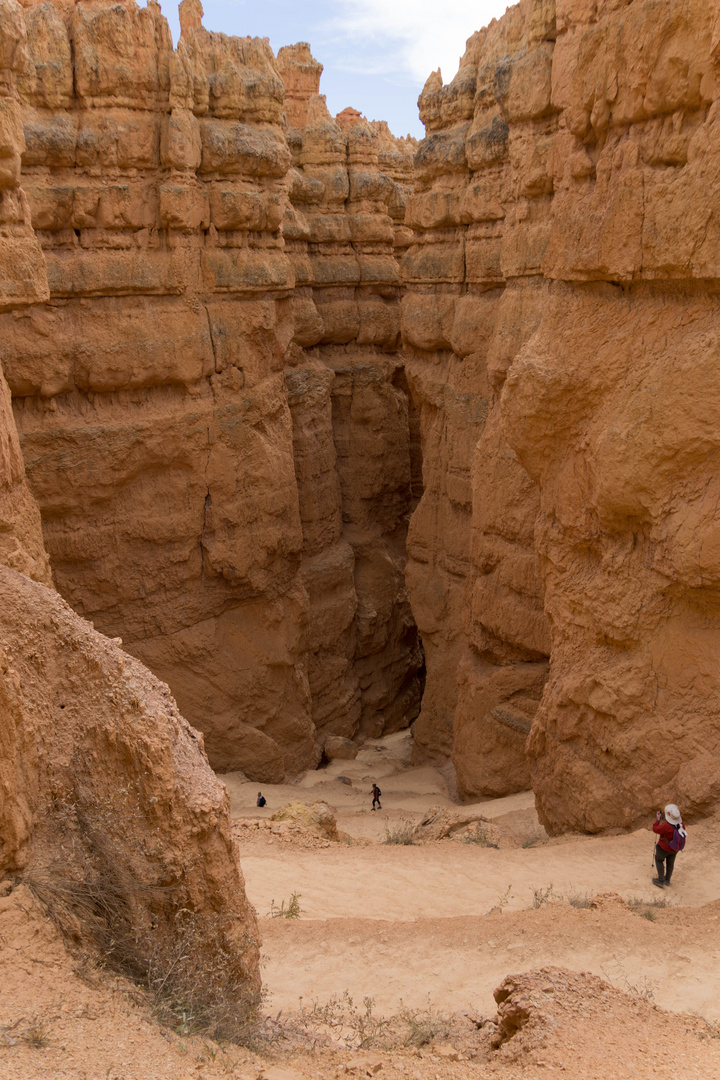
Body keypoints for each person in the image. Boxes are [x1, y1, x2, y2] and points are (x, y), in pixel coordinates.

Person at [652, 803, 686, 888]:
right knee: (670, 863)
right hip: (674, 848)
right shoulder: (681, 824)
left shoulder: (667, 826)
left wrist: (658, 820)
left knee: (659, 860)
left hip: (663, 847)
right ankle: (667, 880)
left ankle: (661, 880)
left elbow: (655, 829)